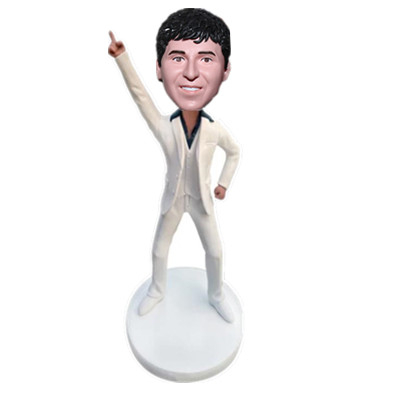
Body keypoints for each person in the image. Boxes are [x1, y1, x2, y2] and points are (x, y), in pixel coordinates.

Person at [108, 8, 240, 323]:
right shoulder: (165, 126)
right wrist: (122, 57)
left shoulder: (214, 129)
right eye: (179, 59)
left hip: (202, 200)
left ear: (224, 71)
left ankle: (216, 294)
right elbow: (141, 97)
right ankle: (157, 290)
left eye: (206, 60)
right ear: (161, 68)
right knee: (159, 249)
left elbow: (234, 152)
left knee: (215, 251)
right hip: (174, 199)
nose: (191, 75)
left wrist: (223, 183)